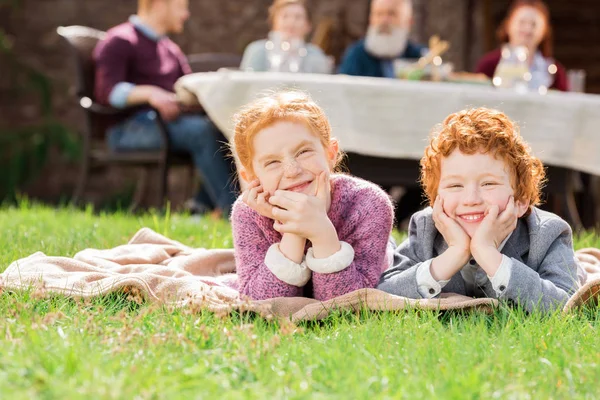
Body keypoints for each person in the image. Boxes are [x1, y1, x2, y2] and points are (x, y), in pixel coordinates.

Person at [378, 107, 586, 313]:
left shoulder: (547, 234)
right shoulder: (426, 228)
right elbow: (383, 293)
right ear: (435, 201)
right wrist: (454, 255)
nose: (471, 199)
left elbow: (565, 307)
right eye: (455, 186)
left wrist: (489, 254)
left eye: (488, 184)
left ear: (521, 200)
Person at [229, 91, 394, 301]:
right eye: (272, 162)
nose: (292, 170)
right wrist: (294, 228)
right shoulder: (248, 213)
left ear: (330, 153)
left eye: (303, 152)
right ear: (251, 176)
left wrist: (321, 232)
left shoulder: (369, 204)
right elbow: (260, 303)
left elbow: (345, 307)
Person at [94, 0, 237, 216]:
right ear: (160, 4)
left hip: (168, 124)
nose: (186, 14)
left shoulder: (170, 49)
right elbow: (108, 92)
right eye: (181, 7)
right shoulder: (120, 40)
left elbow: (186, 90)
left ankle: (199, 208)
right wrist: (151, 93)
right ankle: (234, 213)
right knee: (201, 132)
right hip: (127, 129)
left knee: (231, 130)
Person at [475, 0, 568, 92]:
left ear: (544, 31)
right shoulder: (489, 64)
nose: (527, 29)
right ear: (508, 25)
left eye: (534, 24)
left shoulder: (555, 72)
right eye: (522, 22)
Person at [338, 0, 426, 78]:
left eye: (391, 14)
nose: (384, 21)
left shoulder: (420, 57)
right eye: (378, 14)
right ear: (370, 19)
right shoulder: (356, 56)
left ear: (409, 21)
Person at [240, 0, 331, 74]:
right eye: (285, 16)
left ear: (308, 25)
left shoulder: (315, 54)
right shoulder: (257, 50)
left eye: (298, 17)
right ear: (274, 21)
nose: (291, 22)